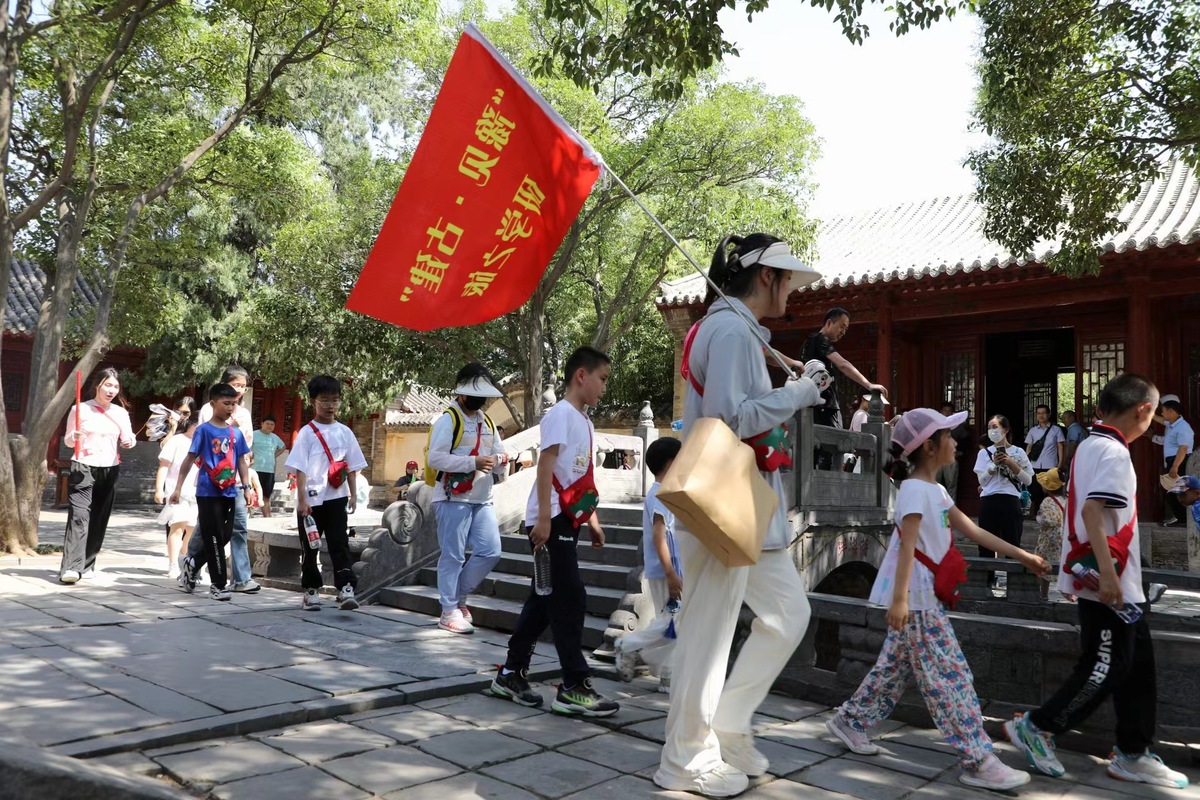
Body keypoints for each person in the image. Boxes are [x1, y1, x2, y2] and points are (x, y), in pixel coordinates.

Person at [655, 233, 826, 798]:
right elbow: (731, 418)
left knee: (787, 614)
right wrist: (796, 395)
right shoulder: (729, 329)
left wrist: (793, 389)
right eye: (787, 281)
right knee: (708, 633)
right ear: (766, 277)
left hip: (744, 506)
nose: (790, 293)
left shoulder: (735, 329)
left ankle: (727, 726)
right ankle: (685, 758)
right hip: (723, 503)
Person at [825, 407, 1044, 791]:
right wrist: (899, 601)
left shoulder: (937, 491)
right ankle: (978, 759)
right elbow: (906, 547)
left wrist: (1022, 555)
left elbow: (973, 532)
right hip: (918, 600)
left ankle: (850, 721)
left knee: (892, 671)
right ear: (929, 447)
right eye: (948, 436)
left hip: (921, 598)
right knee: (951, 677)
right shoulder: (913, 490)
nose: (956, 443)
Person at [1005, 373, 1190, 791]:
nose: (1154, 421)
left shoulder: (1089, 445)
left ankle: (1133, 752)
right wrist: (1109, 577)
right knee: (1105, 666)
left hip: (1117, 582)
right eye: (1154, 413)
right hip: (1107, 582)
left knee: (1139, 667)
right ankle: (1038, 726)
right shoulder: (1113, 453)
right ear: (1143, 410)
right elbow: (1092, 513)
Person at [489, 346, 619, 717]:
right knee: (570, 597)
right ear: (582, 375)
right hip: (550, 521)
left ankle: (511, 673)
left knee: (542, 600)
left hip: (567, 518)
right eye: (602, 379)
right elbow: (545, 466)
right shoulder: (560, 415)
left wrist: (591, 521)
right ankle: (574, 685)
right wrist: (544, 518)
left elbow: (576, 481)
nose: (604, 388)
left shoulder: (586, 422)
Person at [426, 363, 507, 634]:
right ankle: (448, 610)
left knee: (490, 550)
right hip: (452, 497)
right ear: (461, 393)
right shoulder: (448, 419)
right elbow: (435, 458)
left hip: (482, 497)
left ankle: (458, 597)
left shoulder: (488, 421)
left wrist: (501, 461)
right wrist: (473, 461)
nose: (480, 400)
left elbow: (497, 454)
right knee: (453, 555)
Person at [285, 375, 368, 612]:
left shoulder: (345, 432)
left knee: (339, 543)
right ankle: (311, 590)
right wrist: (301, 500)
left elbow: (351, 467)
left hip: (336, 497)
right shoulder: (307, 433)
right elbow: (299, 469)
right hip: (310, 500)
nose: (330, 405)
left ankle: (345, 588)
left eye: (335, 400)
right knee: (309, 545)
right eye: (325, 400)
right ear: (313, 402)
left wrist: (352, 495)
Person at [177, 366, 260, 594]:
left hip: (234, 484)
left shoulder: (243, 413)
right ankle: (196, 567)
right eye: (236, 385)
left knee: (236, 528)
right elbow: (204, 445)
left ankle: (241, 578)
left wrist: (246, 484)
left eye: (243, 386)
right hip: (211, 483)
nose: (239, 390)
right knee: (207, 531)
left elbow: (244, 450)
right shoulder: (208, 409)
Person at [615, 436, 683, 692]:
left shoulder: (665, 493)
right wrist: (672, 574)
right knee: (672, 622)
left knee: (674, 623)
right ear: (671, 463)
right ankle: (628, 646)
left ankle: (668, 677)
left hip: (668, 569)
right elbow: (658, 535)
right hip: (666, 571)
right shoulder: (661, 495)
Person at [59, 367, 137, 584]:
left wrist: (130, 441)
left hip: (109, 467)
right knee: (79, 516)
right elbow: (67, 441)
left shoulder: (120, 413)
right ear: (97, 385)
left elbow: (128, 437)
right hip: (83, 466)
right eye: (107, 385)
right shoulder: (79, 409)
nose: (111, 390)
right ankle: (72, 568)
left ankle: (88, 563)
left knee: (99, 517)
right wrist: (72, 437)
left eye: (115, 386)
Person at [795, 307, 888, 431]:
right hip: (825, 407)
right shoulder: (820, 340)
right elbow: (843, 364)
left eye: (846, 329)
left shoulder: (807, 344)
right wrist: (868, 385)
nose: (843, 332)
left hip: (808, 405)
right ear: (829, 323)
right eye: (842, 326)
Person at [974, 415, 1033, 558]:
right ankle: (988, 579)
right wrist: (994, 465)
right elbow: (982, 482)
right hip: (989, 501)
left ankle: (1012, 579)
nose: (991, 431)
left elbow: (1028, 481)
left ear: (1005, 430)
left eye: (995, 427)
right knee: (986, 545)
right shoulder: (983, 453)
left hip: (1010, 501)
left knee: (1012, 544)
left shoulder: (1018, 452)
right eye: (989, 428)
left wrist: (1011, 464)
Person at [156, 416, 199, 578]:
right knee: (178, 526)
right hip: (176, 491)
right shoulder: (176, 441)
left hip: (197, 492)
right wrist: (159, 489)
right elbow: (164, 466)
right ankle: (173, 564)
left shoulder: (205, 443)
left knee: (193, 528)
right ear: (191, 424)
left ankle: (184, 557)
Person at [1150, 397, 1194, 527]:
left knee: (1174, 492)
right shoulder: (1172, 424)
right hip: (1172, 461)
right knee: (1172, 491)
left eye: (1163, 410)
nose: (1162, 413)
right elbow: (1159, 419)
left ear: (1171, 411)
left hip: (1179, 461)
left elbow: (1183, 448)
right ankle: (1182, 519)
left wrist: (1174, 467)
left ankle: (1183, 519)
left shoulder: (1183, 427)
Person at [1026, 404, 1066, 516]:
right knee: (1035, 490)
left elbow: (1060, 447)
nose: (1041, 416)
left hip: (1051, 465)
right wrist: (1025, 462)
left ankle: (1051, 514)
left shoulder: (1056, 430)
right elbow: (1029, 447)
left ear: (1048, 414)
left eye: (1043, 413)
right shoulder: (1033, 431)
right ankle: (1037, 514)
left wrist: (1060, 463)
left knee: (1050, 491)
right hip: (1035, 465)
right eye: (1038, 413)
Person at [1033, 468, 1066, 600]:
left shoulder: (1048, 501)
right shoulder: (1066, 500)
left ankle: (1043, 595)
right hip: (1064, 537)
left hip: (1049, 540)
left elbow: (1047, 520)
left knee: (1044, 566)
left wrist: (1039, 518)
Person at [935, 401, 973, 503]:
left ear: (952, 413)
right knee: (935, 484)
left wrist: (960, 453)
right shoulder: (935, 424)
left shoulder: (958, 427)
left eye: (949, 411)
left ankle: (951, 512)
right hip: (936, 458)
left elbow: (966, 442)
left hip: (950, 459)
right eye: (944, 411)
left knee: (951, 485)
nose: (946, 413)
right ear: (941, 411)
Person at [251, 415, 286, 518]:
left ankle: (267, 518)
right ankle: (247, 516)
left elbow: (283, 447)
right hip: (254, 469)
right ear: (262, 424)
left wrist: (274, 455)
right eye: (267, 424)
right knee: (252, 494)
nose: (269, 426)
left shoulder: (275, 437)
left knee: (266, 496)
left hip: (269, 470)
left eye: (272, 424)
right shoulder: (254, 434)